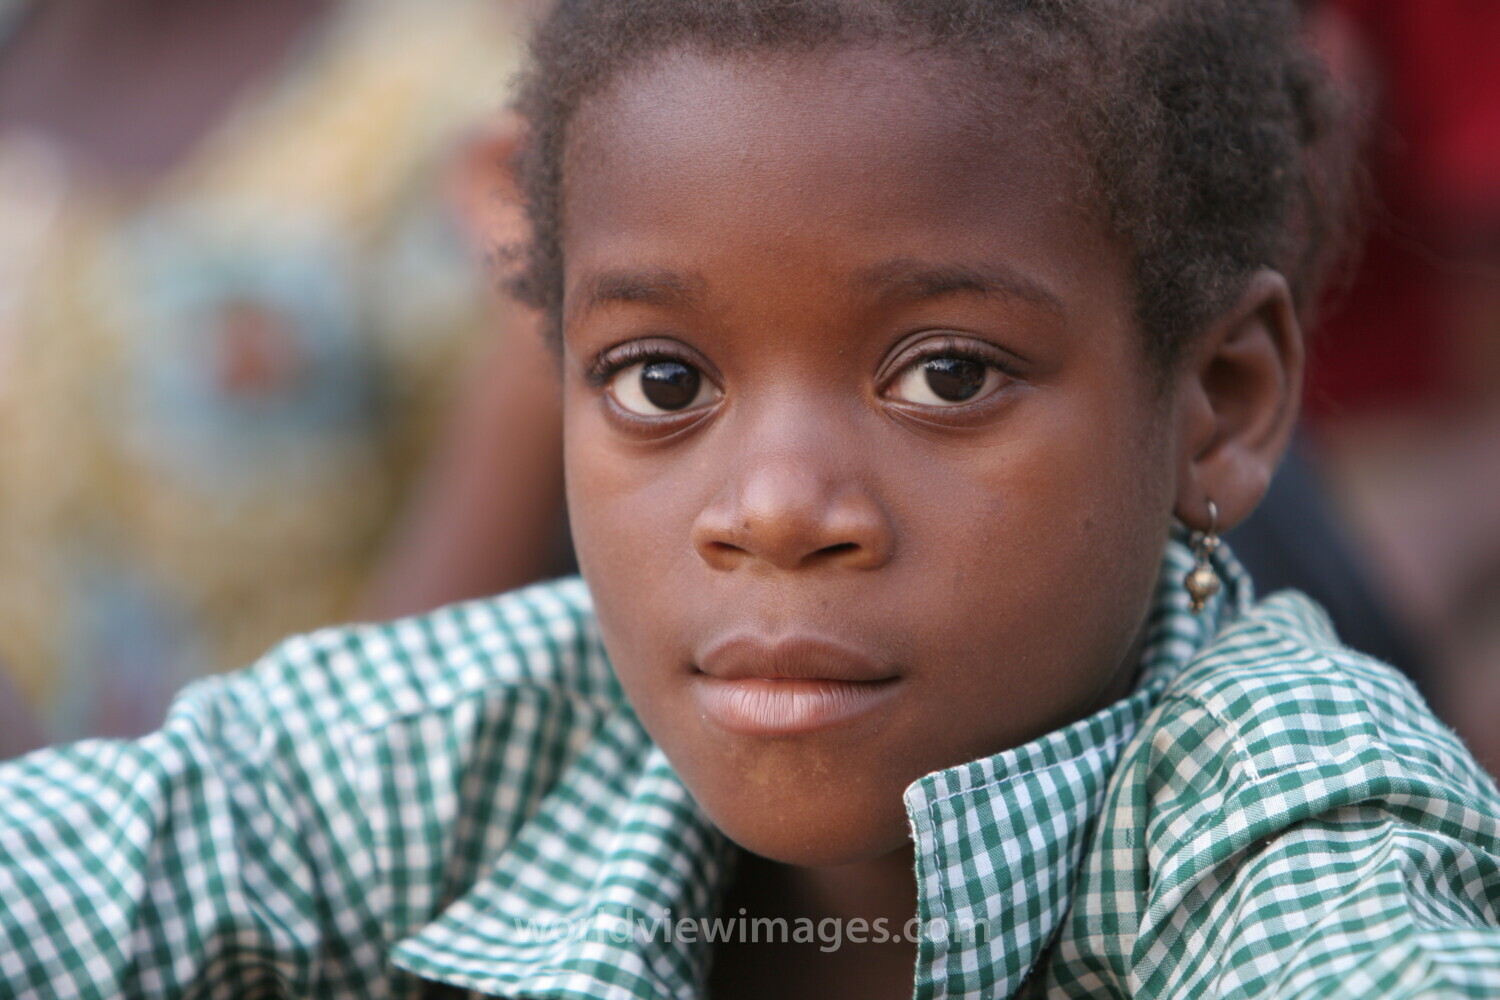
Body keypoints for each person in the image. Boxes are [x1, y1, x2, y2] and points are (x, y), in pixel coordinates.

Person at [3, 1, 1499, 998]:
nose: (776, 511)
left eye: (949, 376)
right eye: (662, 382)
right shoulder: (483, 738)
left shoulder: (1278, 802)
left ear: (1219, 404)